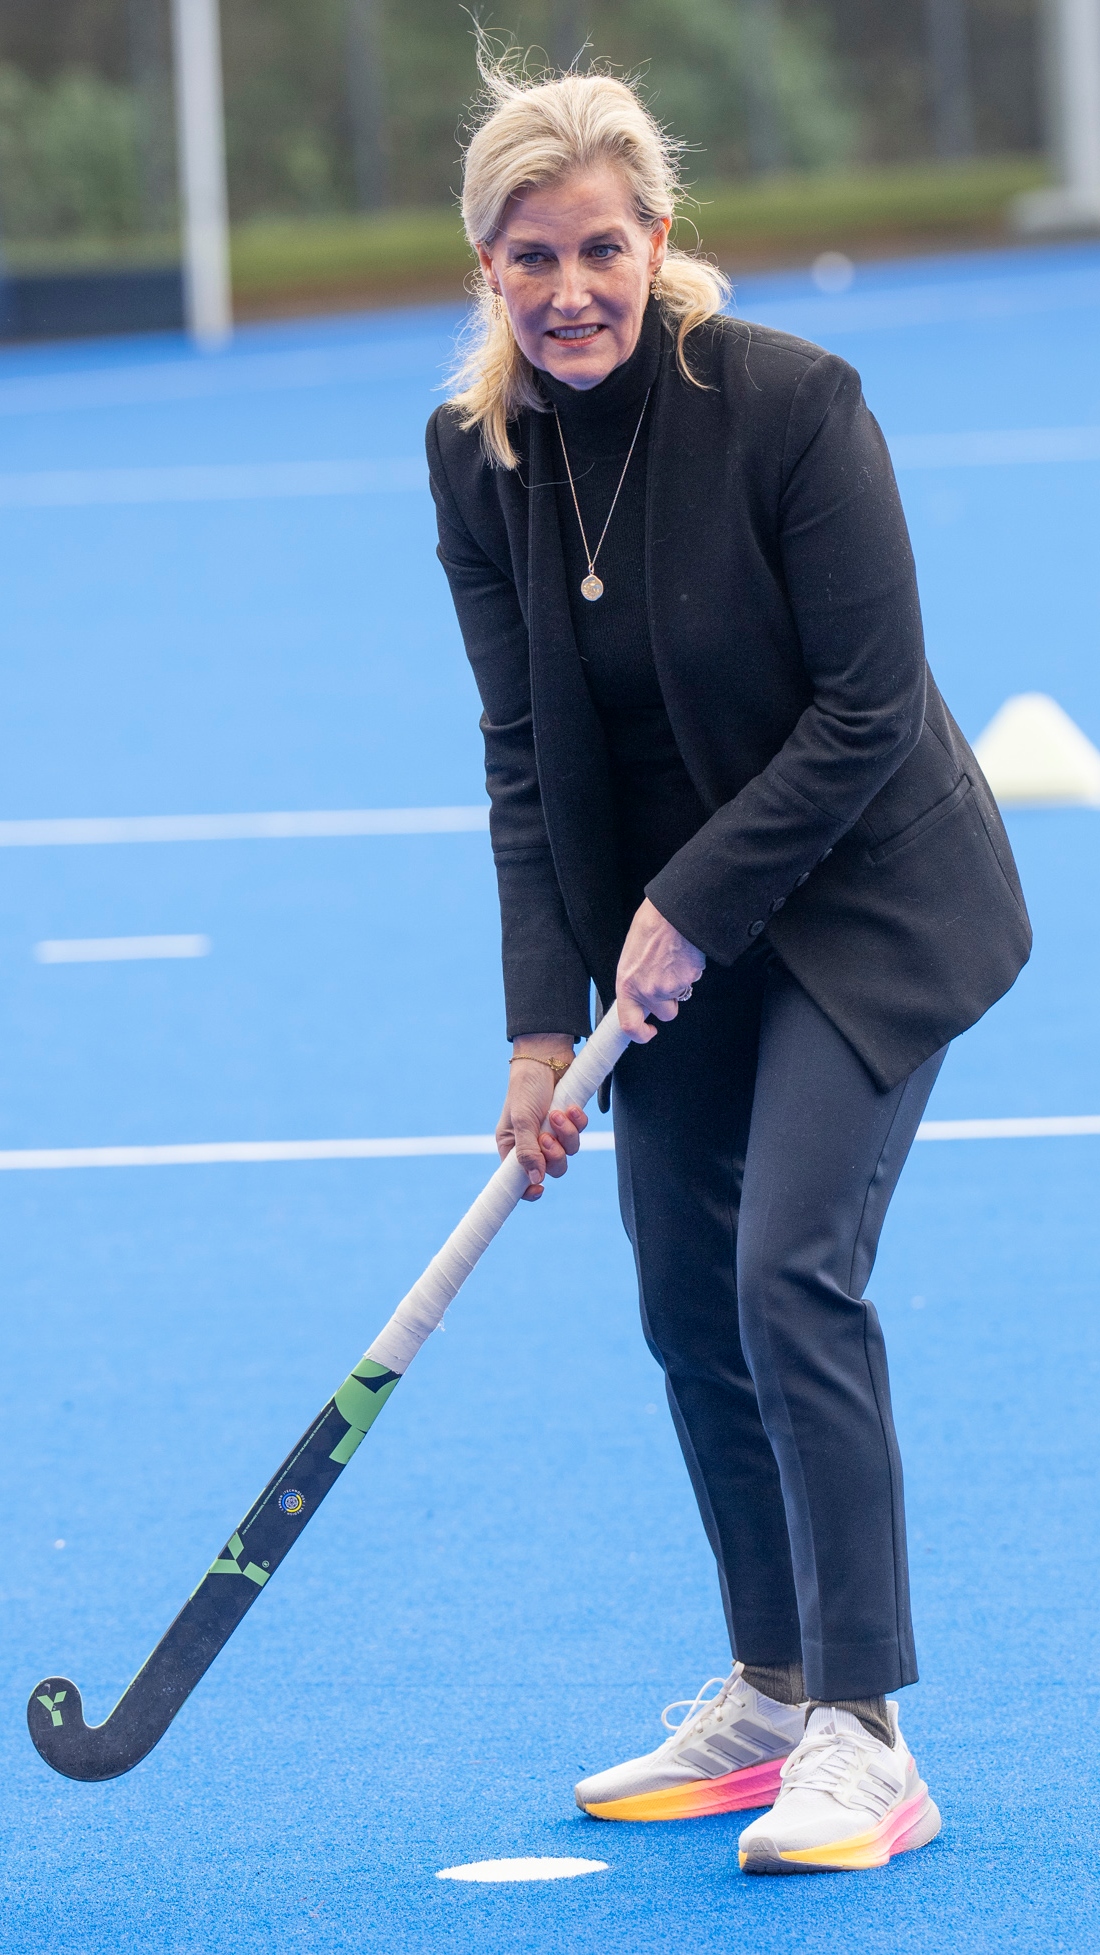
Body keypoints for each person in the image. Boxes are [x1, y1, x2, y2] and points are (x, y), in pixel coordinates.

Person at [426, 59, 1031, 1876]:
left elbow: (864, 709)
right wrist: (543, 1032)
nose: (570, 290)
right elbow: (526, 755)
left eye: (602, 248)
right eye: (531, 258)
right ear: (488, 266)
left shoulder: (788, 405)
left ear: (660, 239)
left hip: (867, 903)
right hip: (662, 942)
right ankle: (770, 1690)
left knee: (787, 1273)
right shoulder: (481, 457)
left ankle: (865, 1728)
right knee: (684, 1293)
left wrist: (688, 903)